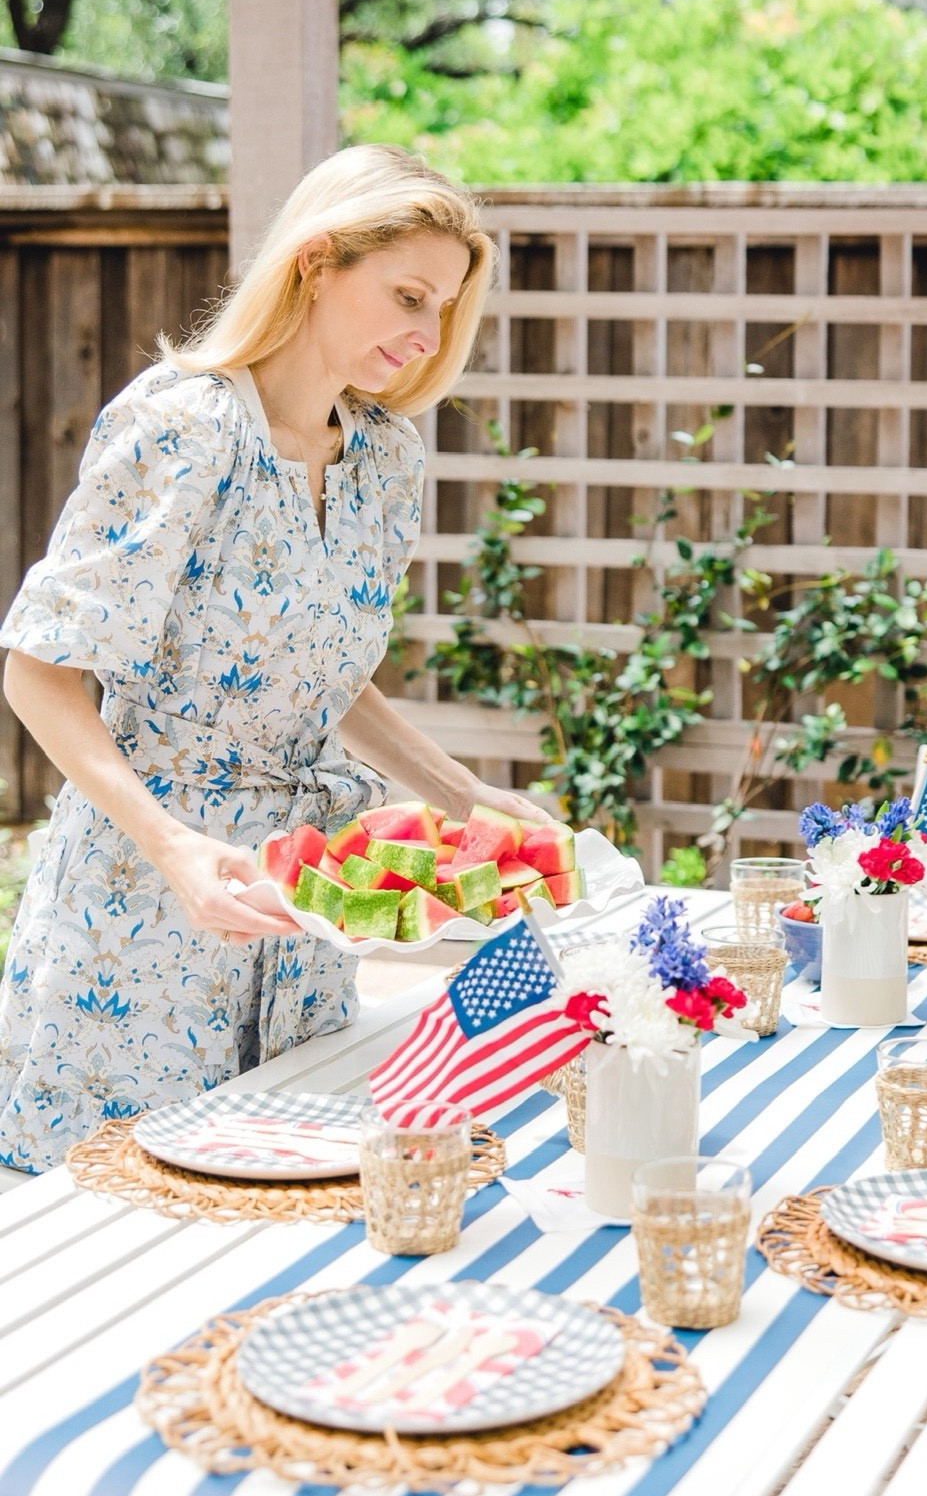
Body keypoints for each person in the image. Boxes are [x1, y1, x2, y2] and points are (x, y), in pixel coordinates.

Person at [0, 144, 552, 1175]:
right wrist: (174, 847)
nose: (428, 336)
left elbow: (322, 674)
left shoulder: (387, 456)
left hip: (304, 904)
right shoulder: (181, 425)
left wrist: (464, 794)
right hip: (144, 908)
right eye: (409, 296)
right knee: (118, 1213)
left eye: (444, 310)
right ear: (316, 260)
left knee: (289, 1203)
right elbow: (38, 670)